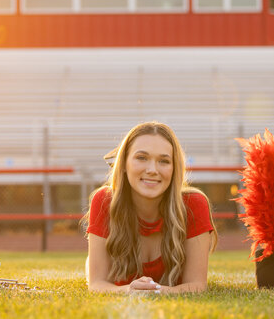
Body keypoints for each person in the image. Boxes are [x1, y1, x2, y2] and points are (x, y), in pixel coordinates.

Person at [83, 121, 218, 293]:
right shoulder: (104, 200)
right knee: (91, 267)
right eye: (141, 158)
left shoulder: (194, 204)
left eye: (164, 161)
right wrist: (129, 290)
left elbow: (197, 285)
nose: (152, 169)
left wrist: (157, 290)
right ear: (124, 163)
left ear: (174, 168)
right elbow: (96, 284)